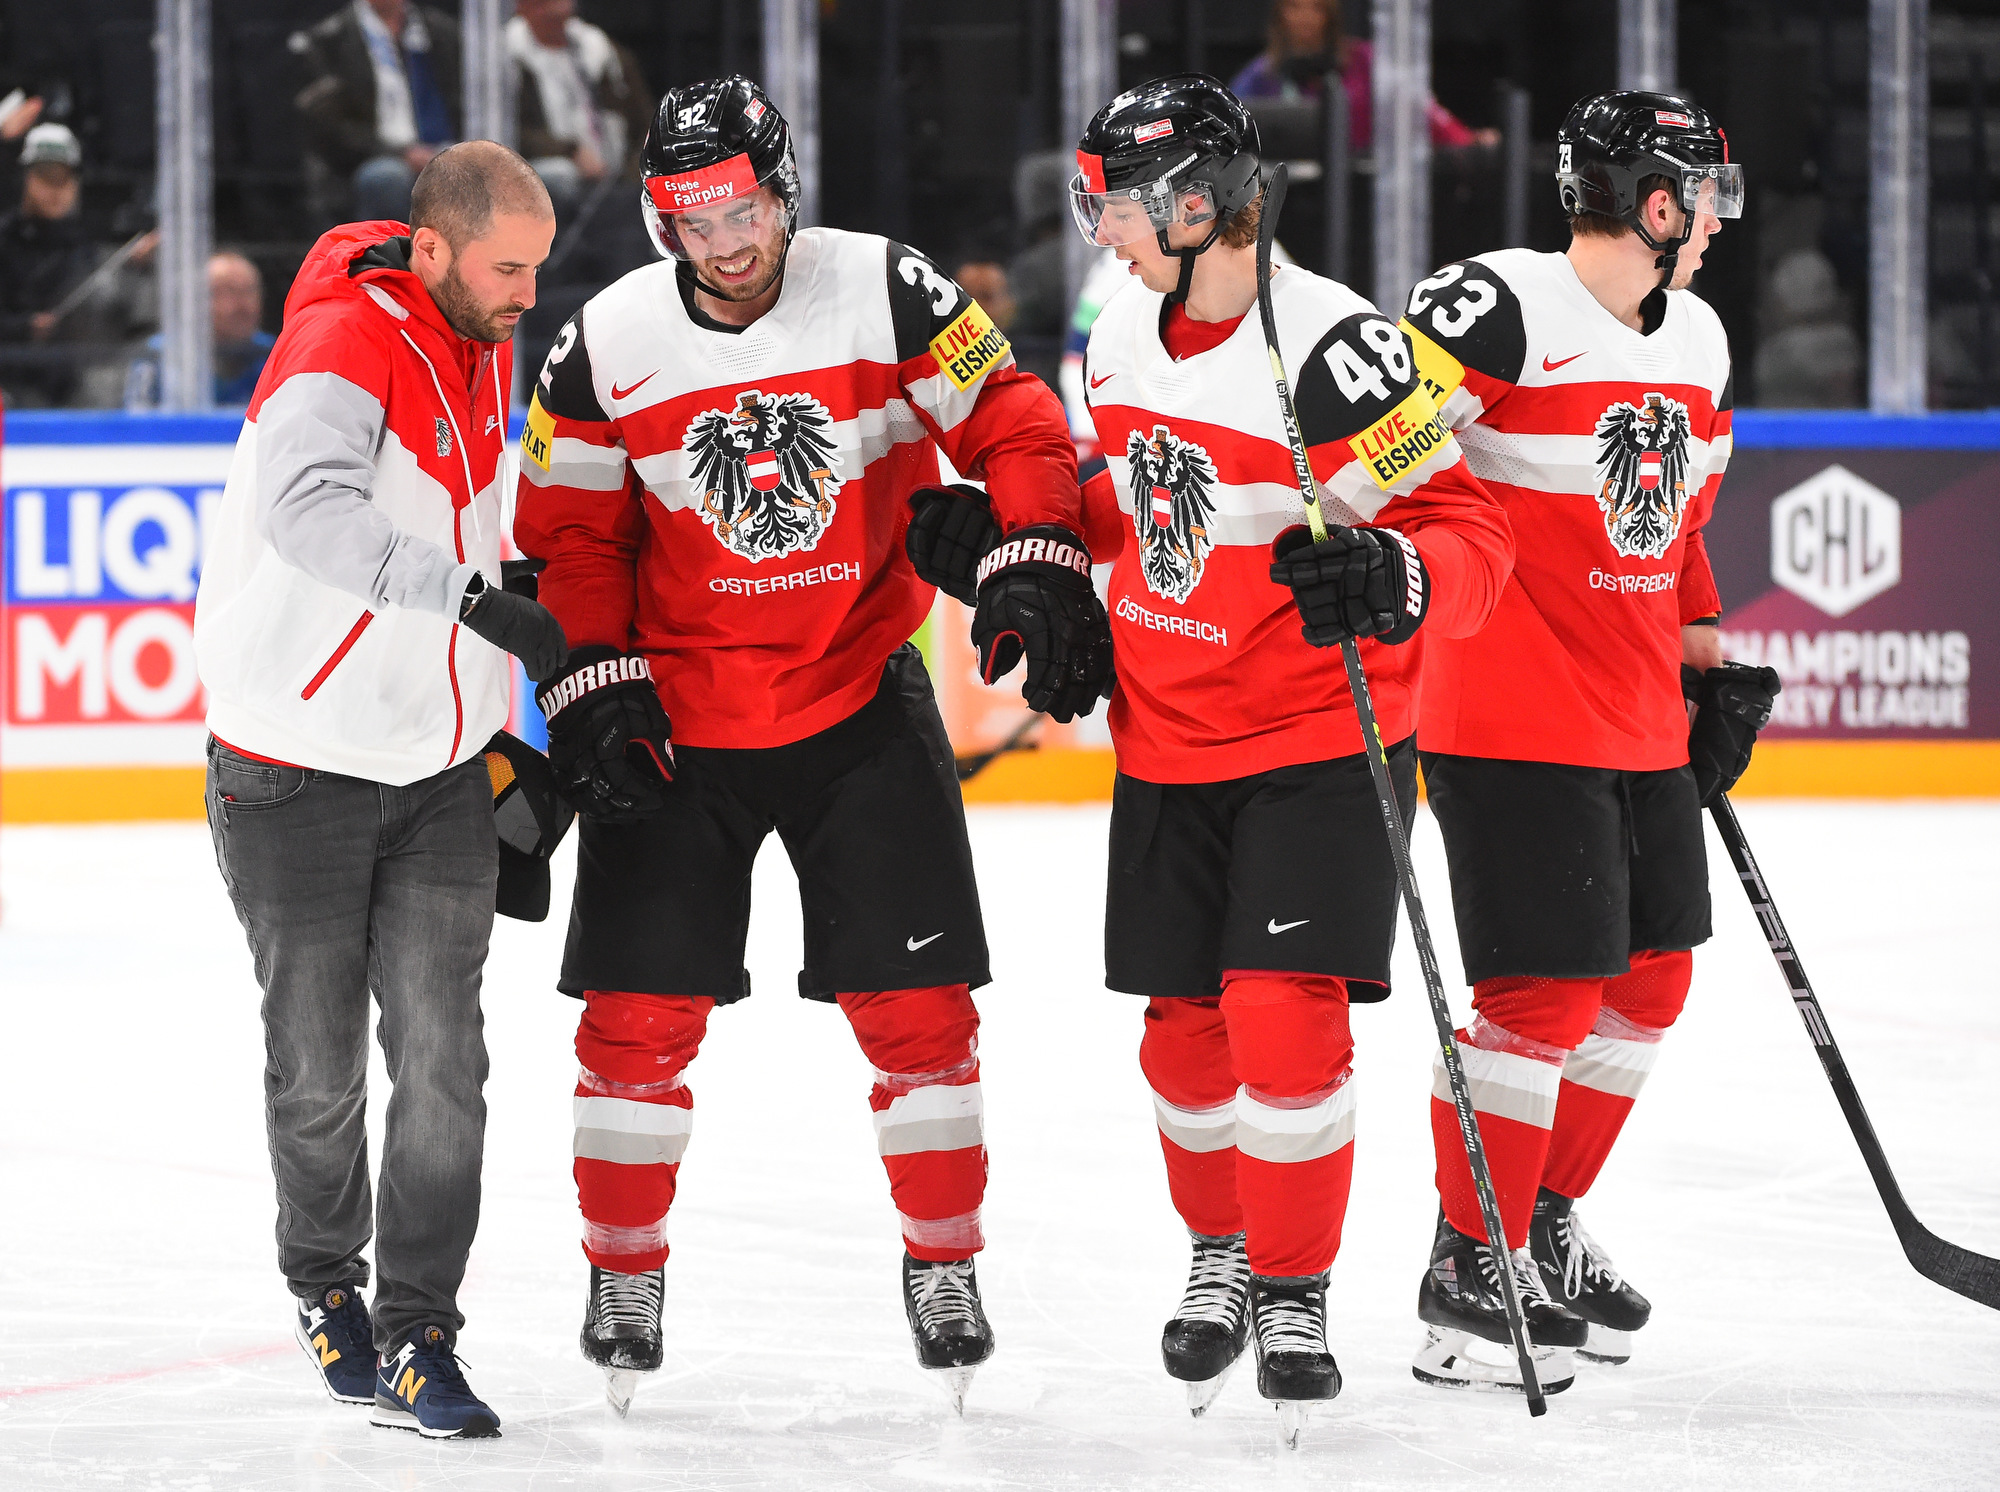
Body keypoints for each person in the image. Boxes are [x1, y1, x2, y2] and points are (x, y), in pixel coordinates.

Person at [913, 73, 1512, 1438]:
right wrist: (1026, 544)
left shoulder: (1343, 350)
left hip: (1319, 739)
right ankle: (1224, 1253)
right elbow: (1132, 500)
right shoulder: (1119, 329)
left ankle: (1293, 1291)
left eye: (1119, 206)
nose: (1101, 230)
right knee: (1184, 1038)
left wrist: (1399, 574)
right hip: (1166, 732)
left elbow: (1475, 532)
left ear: (1195, 205)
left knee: (1284, 1014)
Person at [512, 75, 1103, 1417]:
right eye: (692, 219)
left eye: (743, 211)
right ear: (660, 217)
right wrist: (593, 677)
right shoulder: (604, 342)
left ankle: (943, 1263)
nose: (724, 245)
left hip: (859, 697)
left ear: (783, 192)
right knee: (634, 1022)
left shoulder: (885, 288)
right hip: (679, 721)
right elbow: (571, 536)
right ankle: (623, 1272)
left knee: (921, 1013)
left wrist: (1034, 548)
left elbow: (1011, 419)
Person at [1397, 91, 1780, 1390]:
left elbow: (1676, 528)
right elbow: (1380, 460)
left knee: (1651, 978)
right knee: (1541, 996)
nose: (1716, 221)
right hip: (1503, 710)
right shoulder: (1494, 306)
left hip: (1636, 714)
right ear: (1657, 204)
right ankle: (1468, 1260)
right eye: (1704, 197)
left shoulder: (1700, 340)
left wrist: (1703, 659)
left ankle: (1537, 1223)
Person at [194, 142, 565, 1440]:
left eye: (538, 268)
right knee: (319, 1070)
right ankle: (322, 1280)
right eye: (509, 268)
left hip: (438, 768)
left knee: (446, 1061)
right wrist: (470, 600)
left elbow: (474, 515)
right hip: (289, 761)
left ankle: (421, 1331)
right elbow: (309, 511)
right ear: (435, 250)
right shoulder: (342, 340)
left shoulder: (485, 338)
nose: (528, 293)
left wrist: (516, 675)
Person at [1228, 0, 1496, 151]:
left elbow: (1418, 108)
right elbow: (1229, 130)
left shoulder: (1367, 60)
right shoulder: (1261, 74)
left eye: (1317, 7)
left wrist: (1466, 140)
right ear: (1280, 14)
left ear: (1331, 15)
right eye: (1295, 6)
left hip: (1363, 187)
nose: (1305, 17)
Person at [293, 0, 462, 223]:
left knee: (483, 173)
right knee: (386, 178)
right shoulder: (331, 39)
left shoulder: (441, 31)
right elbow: (332, 127)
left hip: (446, 147)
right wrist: (400, 153)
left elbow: (462, 98)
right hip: (374, 156)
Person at [508, 0, 652, 221]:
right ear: (522, 7)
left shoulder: (602, 50)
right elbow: (508, 132)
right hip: (549, 171)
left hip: (616, 171)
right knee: (560, 174)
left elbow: (644, 120)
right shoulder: (507, 56)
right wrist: (571, 151)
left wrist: (634, 171)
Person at [0, 124, 97, 405]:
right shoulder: (4, 241)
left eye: (63, 179)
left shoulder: (84, 243)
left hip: (70, 386)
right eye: (45, 178)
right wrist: (25, 326)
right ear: (25, 179)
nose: (55, 190)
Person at [126, 252, 277, 409]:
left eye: (249, 291)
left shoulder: (272, 354)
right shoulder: (159, 355)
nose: (242, 305)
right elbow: (137, 417)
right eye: (228, 291)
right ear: (197, 299)